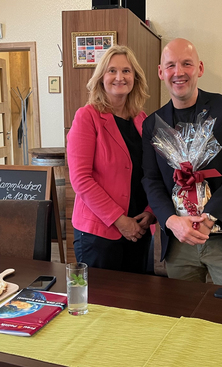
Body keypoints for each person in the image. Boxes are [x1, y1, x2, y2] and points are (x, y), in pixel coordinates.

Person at [141, 38, 222, 288]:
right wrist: (170, 221)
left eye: (187, 63)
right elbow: (151, 179)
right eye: (171, 65)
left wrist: (209, 218)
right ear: (161, 72)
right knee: (184, 309)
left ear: (200, 68)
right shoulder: (152, 124)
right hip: (179, 241)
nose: (178, 72)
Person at [67, 45, 156, 273]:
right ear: (101, 78)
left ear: (135, 78)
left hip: (139, 228)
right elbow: (81, 179)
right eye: (112, 71)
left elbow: (152, 171)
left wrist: (150, 211)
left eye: (126, 71)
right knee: (101, 296)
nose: (119, 77)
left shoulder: (142, 119)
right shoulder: (87, 117)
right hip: (99, 234)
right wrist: (120, 220)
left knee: (137, 294)